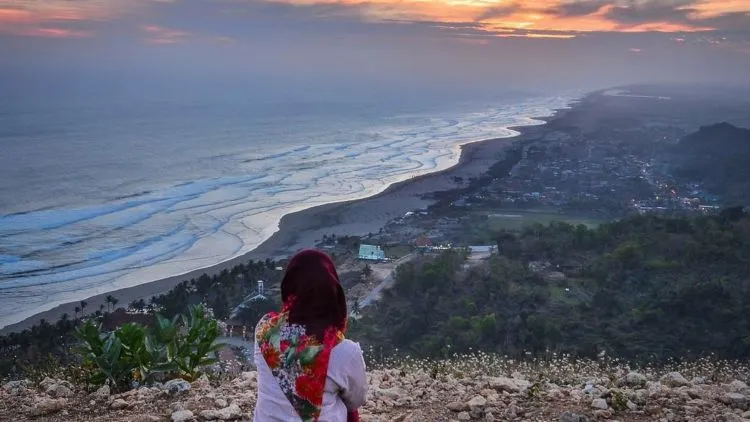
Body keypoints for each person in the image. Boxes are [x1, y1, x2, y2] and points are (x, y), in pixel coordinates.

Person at [253, 249, 368, 422]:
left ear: (289, 288)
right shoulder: (344, 351)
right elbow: (357, 400)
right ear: (333, 293)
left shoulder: (264, 330)